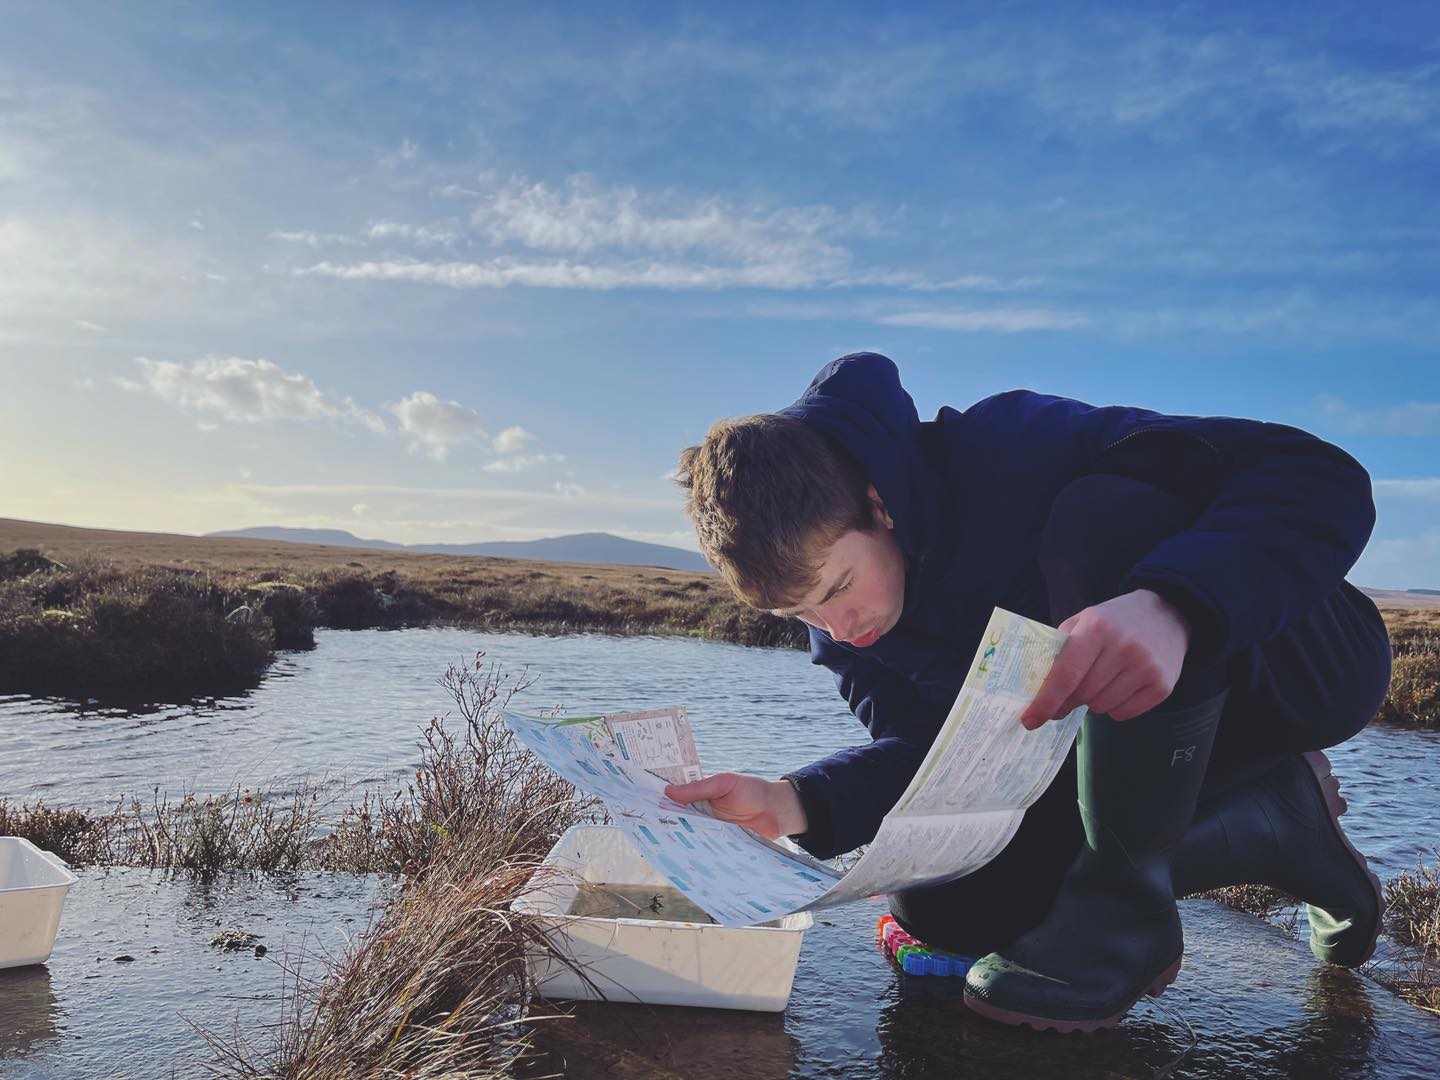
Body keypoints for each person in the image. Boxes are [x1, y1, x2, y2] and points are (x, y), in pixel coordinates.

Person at [663, 352, 1392, 1032]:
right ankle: (1275, 828)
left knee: (1102, 517)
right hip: (1131, 752)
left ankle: (1125, 912)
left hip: (1298, 665)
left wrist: (1173, 604)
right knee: (939, 902)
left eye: (839, 589)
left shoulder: (1014, 446)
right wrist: (797, 801)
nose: (838, 628)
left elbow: (1316, 474)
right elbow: (930, 757)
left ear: (877, 504)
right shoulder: (846, 630)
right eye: (802, 615)